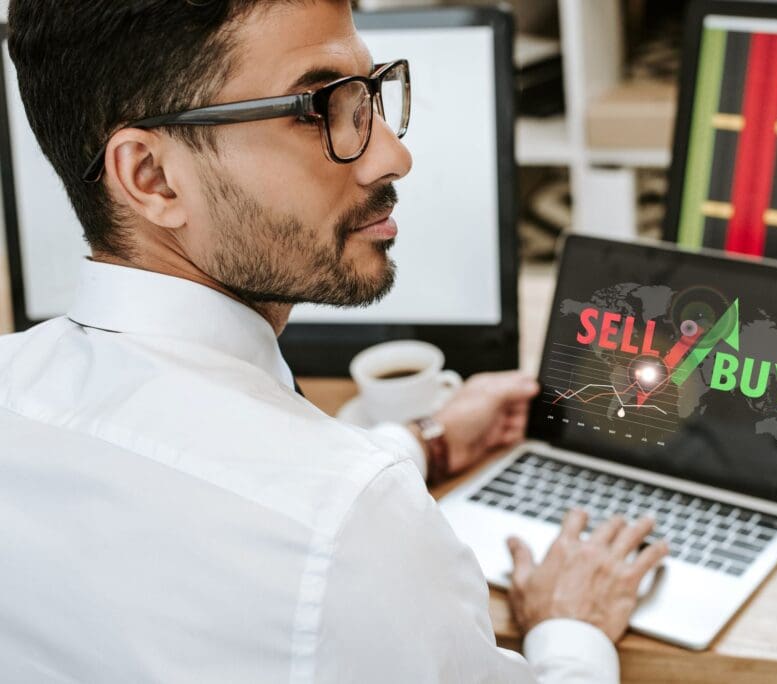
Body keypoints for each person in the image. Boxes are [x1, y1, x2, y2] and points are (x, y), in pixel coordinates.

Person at [0, 1, 669, 681]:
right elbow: (307, 521)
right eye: (318, 109)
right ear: (152, 177)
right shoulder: (352, 529)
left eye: (368, 94)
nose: (394, 157)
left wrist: (424, 441)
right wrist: (572, 629)